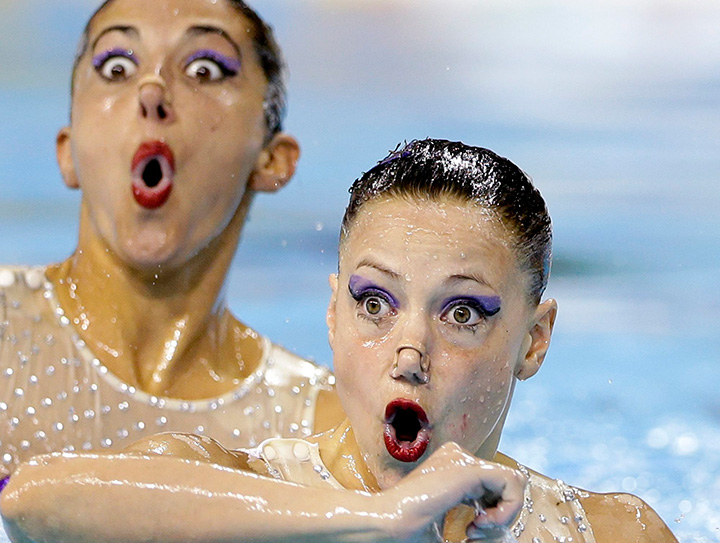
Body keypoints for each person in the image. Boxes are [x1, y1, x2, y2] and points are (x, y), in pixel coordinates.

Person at [1, 140, 678, 542]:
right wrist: (375, 516)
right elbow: (32, 503)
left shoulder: (610, 532)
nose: (409, 353)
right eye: (375, 303)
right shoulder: (229, 495)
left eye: (463, 313)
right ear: (332, 313)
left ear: (533, 341)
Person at [0, 0, 343, 482]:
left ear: (272, 160)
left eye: (204, 70)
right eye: (116, 67)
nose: (152, 90)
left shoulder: (322, 434)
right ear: (68, 151)